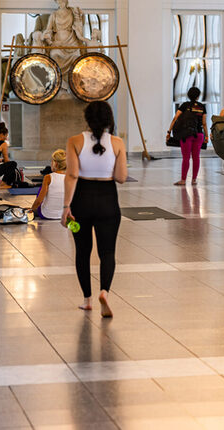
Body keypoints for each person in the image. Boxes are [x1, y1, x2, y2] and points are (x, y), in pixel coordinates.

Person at [61, 101, 128, 317]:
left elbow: (71, 175)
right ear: (109, 119)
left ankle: (87, 300)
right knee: (107, 252)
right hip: (108, 200)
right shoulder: (117, 143)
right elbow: (121, 177)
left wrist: (66, 206)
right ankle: (105, 293)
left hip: (82, 199)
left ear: (87, 118)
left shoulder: (74, 141)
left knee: (82, 252)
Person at [167, 87, 207, 186]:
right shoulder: (202, 107)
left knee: (186, 157)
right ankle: (194, 180)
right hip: (199, 134)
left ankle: (183, 180)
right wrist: (206, 136)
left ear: (188, 95)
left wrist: (169, 131)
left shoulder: (185, 106)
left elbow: (175, 118)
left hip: (186, 135)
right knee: (196, 157)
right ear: (198, 96)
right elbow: (204, 123)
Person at [31, 149, 67, 219]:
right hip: (63, 215)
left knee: (42, 189)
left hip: (47, 214)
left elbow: (39, 201)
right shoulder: (71, 178)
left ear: (55, 164)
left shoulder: (48, 177)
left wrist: (31, 209)